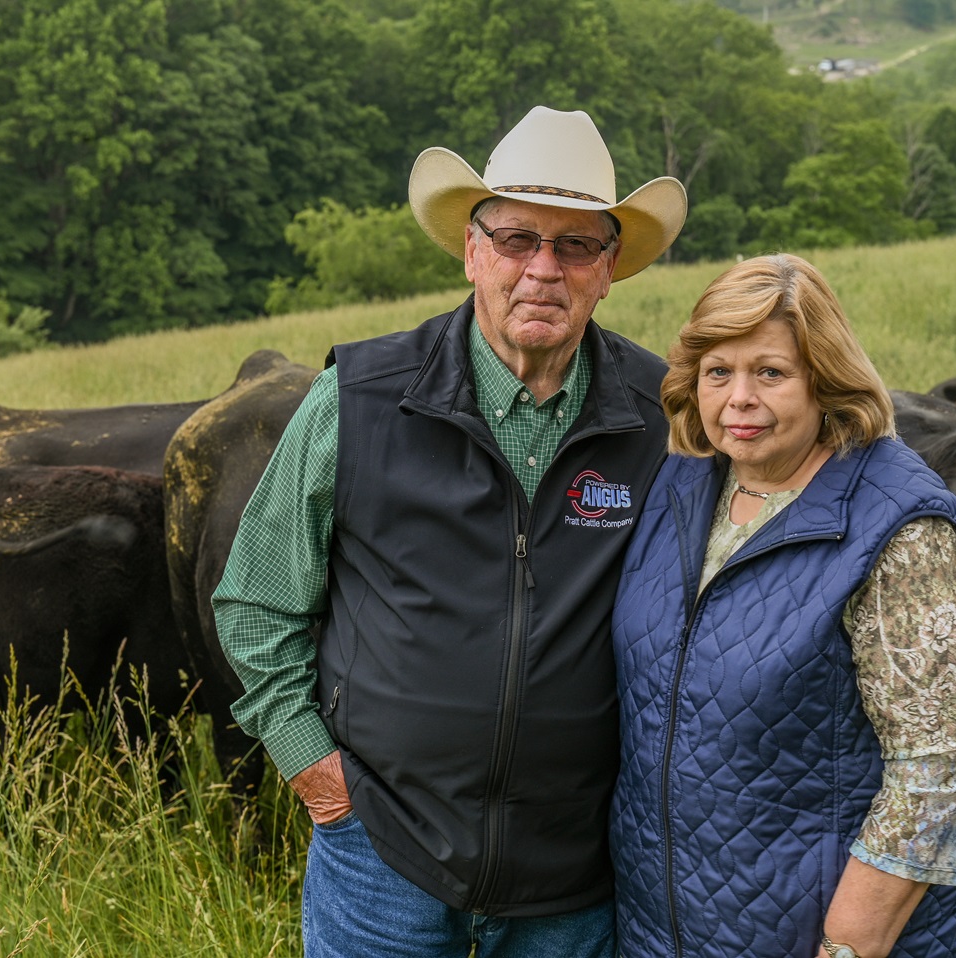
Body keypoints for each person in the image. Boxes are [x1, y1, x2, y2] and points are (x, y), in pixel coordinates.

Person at [211, 105, 686, 957]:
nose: (543, 269)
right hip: (381, 857)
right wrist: (320, 779)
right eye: (515, 239)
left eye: (575, 245)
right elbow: (255, 602)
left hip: (572, 875)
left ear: (609, 268)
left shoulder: (659, 417)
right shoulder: (359, 397)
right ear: (472, 251)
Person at [609, 254, 956, 958]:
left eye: (770, 372)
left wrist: (849, 941)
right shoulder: (681, 486)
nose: (739, 399)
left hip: (821, 937)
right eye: (718, 372)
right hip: (664, 931)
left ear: (825, 380)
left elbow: (948, 758)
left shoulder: (905, 534)